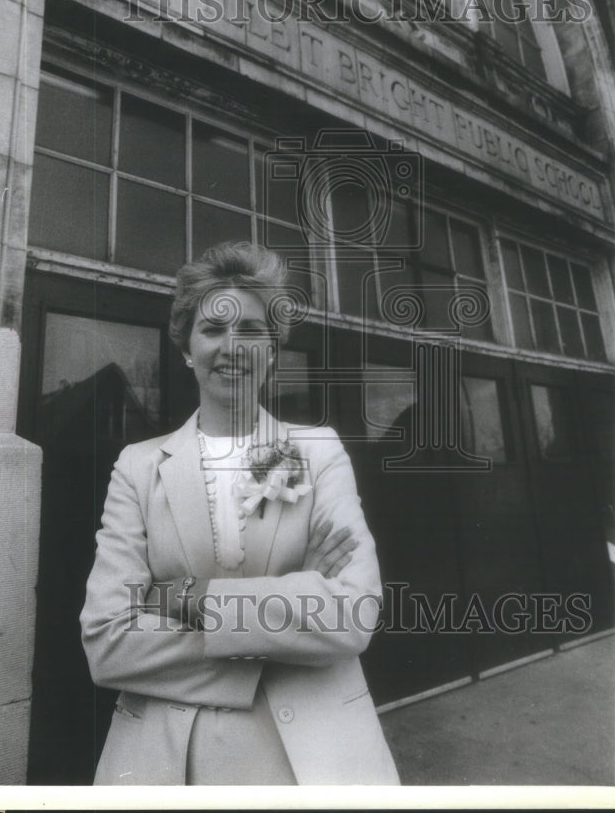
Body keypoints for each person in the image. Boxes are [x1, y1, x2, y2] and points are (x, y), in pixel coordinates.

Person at [80, 241, 400, 786]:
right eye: (213, 329)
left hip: (310, 758)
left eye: (251, 329)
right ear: (186, 348)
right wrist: (297, 601)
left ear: (273, 349)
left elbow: (351, 614)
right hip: (169, 759)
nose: (233, 346)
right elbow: (109, 644)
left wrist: (186, 597)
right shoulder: (138, 467)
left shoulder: (316, 450)